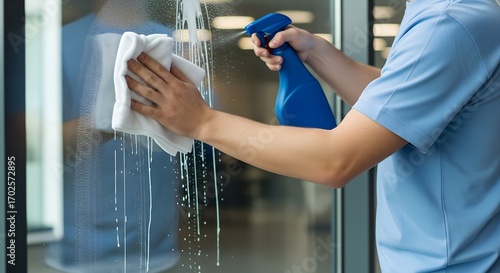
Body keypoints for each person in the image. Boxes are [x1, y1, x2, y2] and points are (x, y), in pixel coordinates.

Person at [124, 0, 500, 272]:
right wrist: (317, 52)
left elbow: (336, 160)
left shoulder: (449, 22)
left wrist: (202, 122)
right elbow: (398, 107)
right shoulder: (440, 15)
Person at [45, 1, 181, 272]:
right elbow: (37, 146)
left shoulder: (173, 43)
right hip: (78, 251)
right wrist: (107, 120)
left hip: (156, 251)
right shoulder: (59, 43)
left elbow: (200, 129)